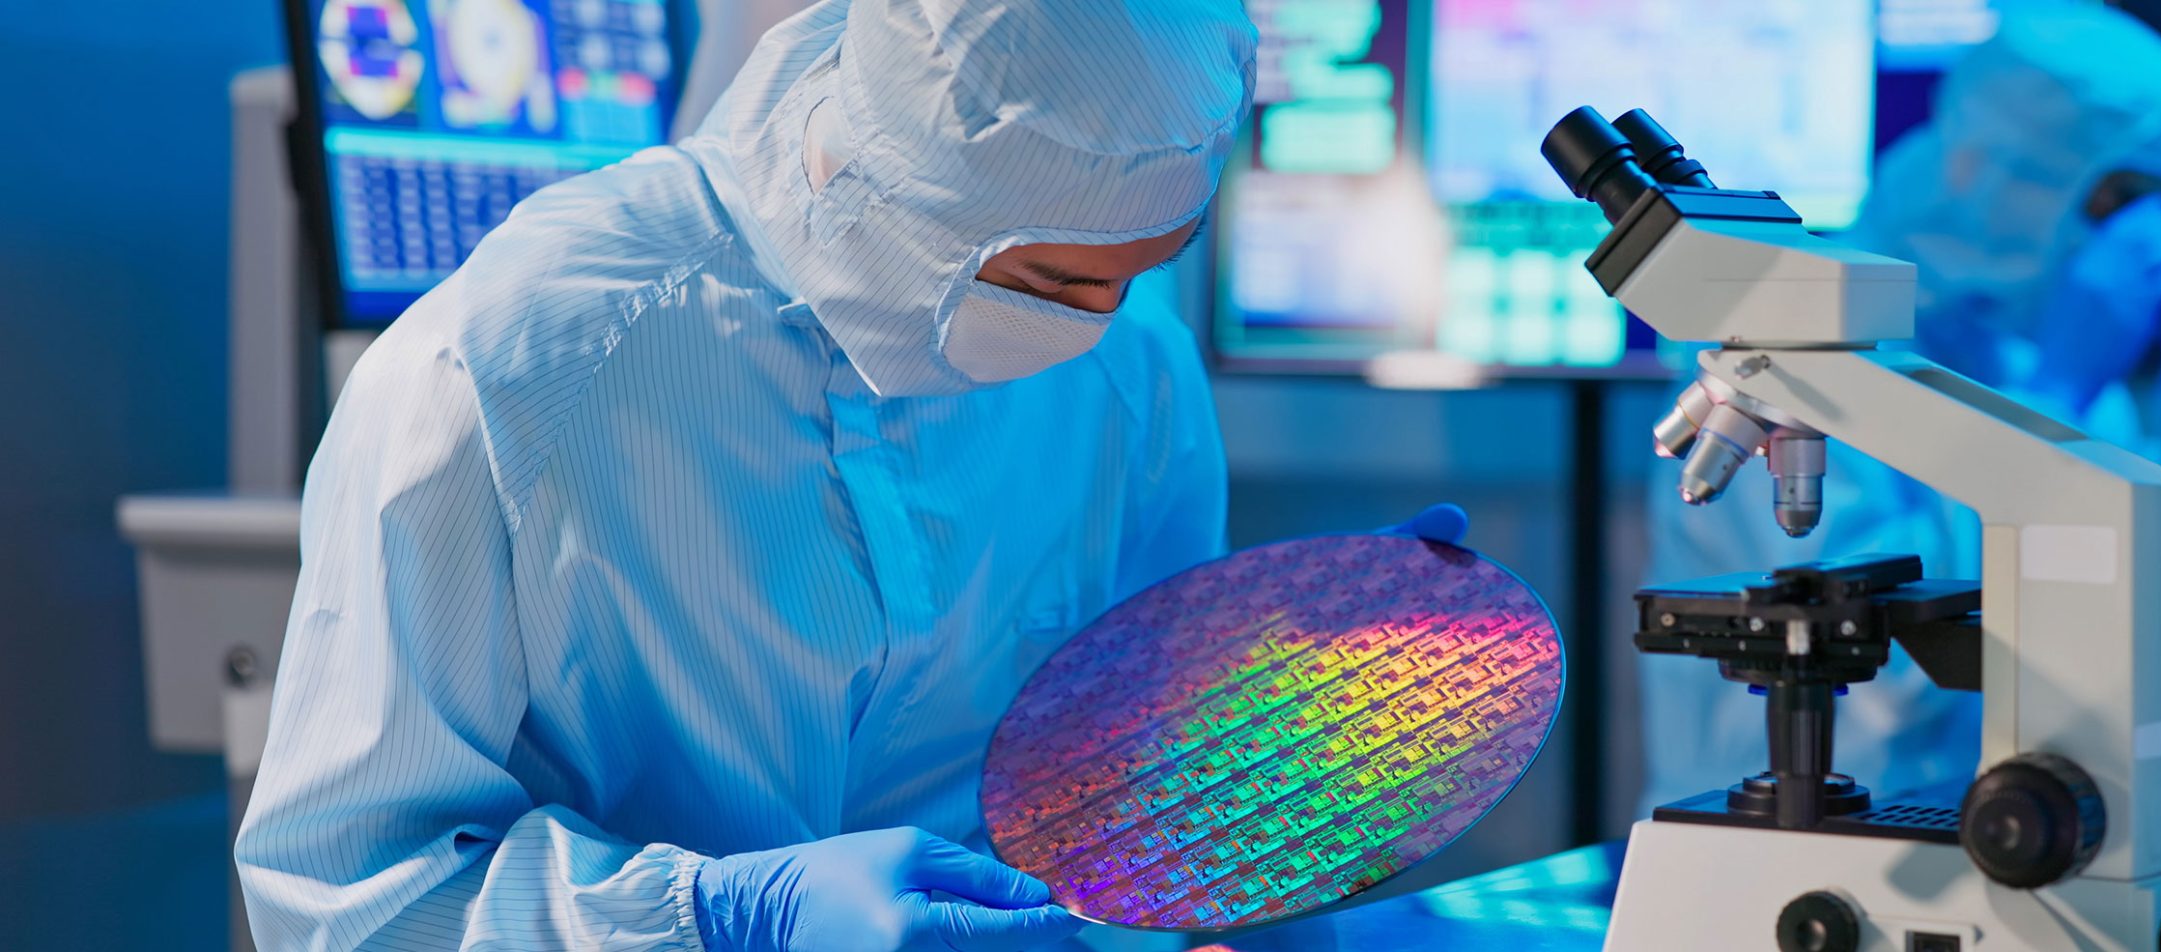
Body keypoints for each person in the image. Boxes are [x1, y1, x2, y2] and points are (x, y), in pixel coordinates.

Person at [232, 2, 1340, 949]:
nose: (1099, 320)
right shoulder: (507, 371)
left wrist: (1301, 706)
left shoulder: (1134, 373)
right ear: (909, 189)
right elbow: (344, 903)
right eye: (1054, 282)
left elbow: (1138, 760)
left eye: (1144, 265)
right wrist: (717, 917)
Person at [1638, 2, 2161, 811]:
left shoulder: (2029, 356)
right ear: (1986, 168)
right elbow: (1884, 675)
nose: (2130, 240)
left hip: (1995, 812)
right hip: (1791, 821)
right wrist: (2059, 399)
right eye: (2115, 200)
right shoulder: (1794, 348)